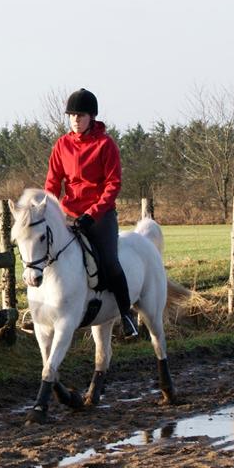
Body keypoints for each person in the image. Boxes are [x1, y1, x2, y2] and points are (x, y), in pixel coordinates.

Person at [44, 88, 139, 337]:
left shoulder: (106, 145)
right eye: (72, 115)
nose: (75, 119)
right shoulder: (61, 145)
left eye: (81, 115)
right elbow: (52, 184)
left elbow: (113, 185)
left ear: (92, 117)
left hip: (100, 215)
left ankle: (127, 315)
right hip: (68, 214)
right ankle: (42, 311)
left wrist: (93, 213)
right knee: (45, 254)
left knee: (109, 261)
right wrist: (50, 210)